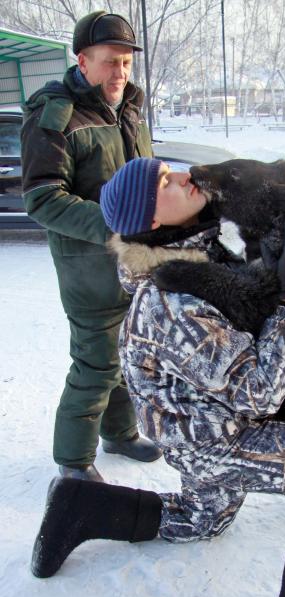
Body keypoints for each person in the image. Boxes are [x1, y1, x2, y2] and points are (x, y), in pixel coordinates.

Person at [30, 159, 285, 597]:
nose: (181, 174)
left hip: (203, 419)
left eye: (168, 169)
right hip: (212, 439)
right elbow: (260, 393)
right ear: (151, 220)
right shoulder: (175, 303)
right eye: (164, 183)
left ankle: (78, 505)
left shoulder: (193, 249)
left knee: (200, 520)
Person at [20, 11, 162, 482]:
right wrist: (117, 223)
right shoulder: (56, 114)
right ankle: (74, 462)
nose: (120, 73)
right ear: (82, 60)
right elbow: (42, 198)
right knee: (95, 363)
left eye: (125, 63)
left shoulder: (130, 109)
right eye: (109, 62)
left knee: (125, 353)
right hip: (88, 268)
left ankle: (119, 433)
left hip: (134, 264)